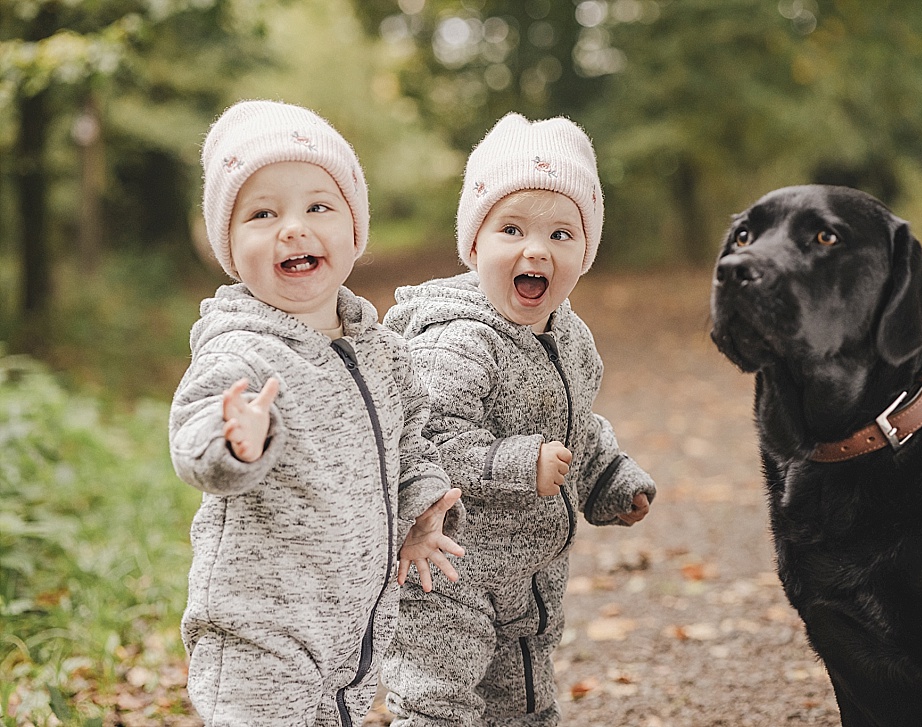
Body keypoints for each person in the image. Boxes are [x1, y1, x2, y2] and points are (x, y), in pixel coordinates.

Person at [168, 99, 464, 726]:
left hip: (351, 630)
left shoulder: (381, 351)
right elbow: (195, 437)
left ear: (355, 231)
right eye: (263, 214)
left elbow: (407, 444)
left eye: (318, 207)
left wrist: (421, 508)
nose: (293, 229)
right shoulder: (240, 349)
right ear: (229, 247)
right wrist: (236, 440)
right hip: (259, 633)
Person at [381, 113, 656, 726]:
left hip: (531, 575)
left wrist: (609, 477)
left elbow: (576, 427)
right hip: (446, 568)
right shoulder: (457, 339)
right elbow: (424, 439)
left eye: (561, 234)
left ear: (584, 253)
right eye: (511, 229)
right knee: (438, 704)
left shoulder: (572, 337)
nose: (536, 249)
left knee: (524, 702)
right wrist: (517, 462)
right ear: (475, 245)